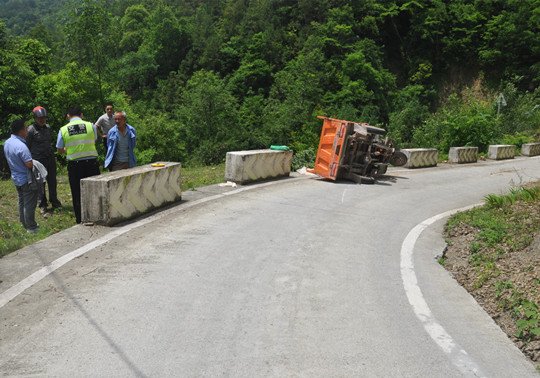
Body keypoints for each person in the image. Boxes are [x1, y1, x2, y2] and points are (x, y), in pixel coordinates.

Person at [56, 106, 100, 224]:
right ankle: (97, 216)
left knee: (77, 192)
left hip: (75, 165)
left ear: (68, 116)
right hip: (92, 163)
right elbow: (94, 139)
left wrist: (68, 149)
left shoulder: (63, 129)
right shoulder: (91, 125)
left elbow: (59, 148)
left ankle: (80, 220)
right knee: (95, 190)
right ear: (82, 115)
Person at [3, 119, 39, 233]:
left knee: (22, 202)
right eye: (25, 128)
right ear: (21, 131)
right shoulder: (21, 146)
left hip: (16, 177)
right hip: (26, 179)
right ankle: (31, 227)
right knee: (29, 204)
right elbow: (29, 164)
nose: (27, 130)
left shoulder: (8, 143)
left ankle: (24, 223)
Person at [27, 106, 62, 216]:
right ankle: (42, 205)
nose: (42, 120)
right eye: (39, 118)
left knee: (52, 181)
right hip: (38, 160)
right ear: (35, 118)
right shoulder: (30, 130)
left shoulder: (48, 127)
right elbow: (27, 146)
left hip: (49, 158)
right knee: (40, 183)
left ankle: (54, 202)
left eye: (44, 118)